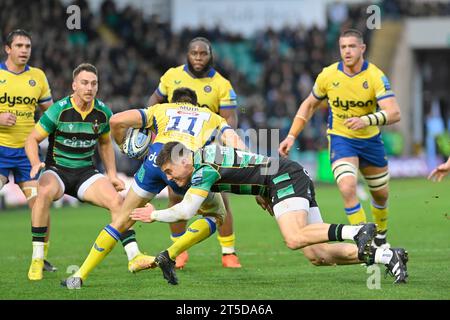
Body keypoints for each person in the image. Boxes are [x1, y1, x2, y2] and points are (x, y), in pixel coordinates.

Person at [130, 142, 409, 285]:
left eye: (169, 171)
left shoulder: (202, 169)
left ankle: (357, 231)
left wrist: (153, 215)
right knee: (318, 255)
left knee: (294, 238)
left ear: (183, 160)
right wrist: (261, 192)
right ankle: (388, 256)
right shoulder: (203, 160)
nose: (170, 178)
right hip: (280, 178)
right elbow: (245, 164)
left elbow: (186, 211)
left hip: (282, 176)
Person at [61, 87, 246, 289]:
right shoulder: (210, 116)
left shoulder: (161, 109)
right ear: (196, 104)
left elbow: (115, 121)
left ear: (172, 101)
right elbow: (236, 144)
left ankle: (78, 276)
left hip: (155, 158)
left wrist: (123, 145)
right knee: (218, 214)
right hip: (184, 163)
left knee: (122, 219)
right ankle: (171, 254)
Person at [24, 63, 153, 281]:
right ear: (74, 85)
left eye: (94, 83)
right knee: (43, 193)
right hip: (57, 169)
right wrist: (36, 162)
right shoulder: (59, 109)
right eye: (84, 82)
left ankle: (134, 256)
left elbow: (104, 144)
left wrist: (111, 174)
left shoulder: (103, 112)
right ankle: (37, 258)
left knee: (117, 202)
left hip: (85, 172)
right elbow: (32, 139)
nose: (89, 87)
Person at [279, 29, 401, 248]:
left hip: (371, 141)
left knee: (381, 195)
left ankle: (381, 234)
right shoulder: (328, 75)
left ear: (362, 48)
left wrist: (367, 120)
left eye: (352, 46)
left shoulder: (375, 75)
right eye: (343, 47)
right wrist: (291, 135)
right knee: (347, 187)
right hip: (341, 139)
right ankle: (367, 240)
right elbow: (309, 105)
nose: (347, 51)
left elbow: (394, 113)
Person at [146, 37, 241, 268]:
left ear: (211, 55)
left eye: (203, 54)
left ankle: (228, 251)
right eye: (194, 53)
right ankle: (179, 250)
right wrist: (152, 133)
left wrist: (226, 143)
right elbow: (154, 102)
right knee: (174, 196)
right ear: (187, 54)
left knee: (221, 199)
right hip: (177, 150)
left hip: (207, 149)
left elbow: (229, 117)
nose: (198, 58)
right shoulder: (172, 76)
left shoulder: (221, 84)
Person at [0, 29, 56, 272]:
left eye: (28, 46)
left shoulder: (38, 77)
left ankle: (40, 257)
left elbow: (50, 113)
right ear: (8, 49)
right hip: (0, 151)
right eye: (19, 45)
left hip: (27, 155)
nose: (24, 50)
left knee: (40, 204)